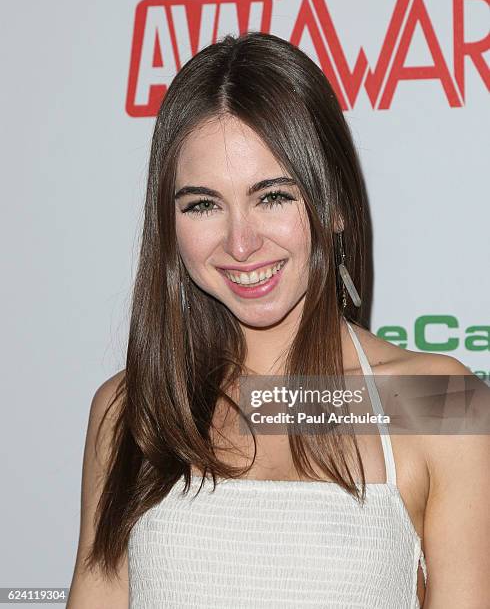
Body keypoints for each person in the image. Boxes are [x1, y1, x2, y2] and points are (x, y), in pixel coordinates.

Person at [67, 32, 490, 608]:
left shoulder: (436, 401)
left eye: (273, 197)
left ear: (335, 205)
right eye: (203, 204)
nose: (241, 243)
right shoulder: (131, 410)